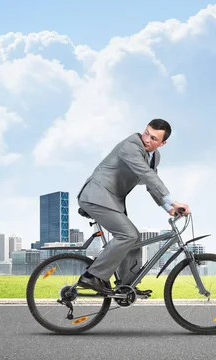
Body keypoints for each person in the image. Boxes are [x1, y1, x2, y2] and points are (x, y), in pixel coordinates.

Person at [75, 118, 191, 296]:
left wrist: (169, 208)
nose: (146, 139)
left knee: (134, 240)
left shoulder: (154, 157)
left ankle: (127, 285)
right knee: (128, 235)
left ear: (163, 143)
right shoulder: (130, 146)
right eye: (146, 133)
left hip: (112, 200)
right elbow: (146, 174)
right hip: (96, 196)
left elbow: (151, 183)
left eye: (153, 138)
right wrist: (174, 200)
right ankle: (92, 276)